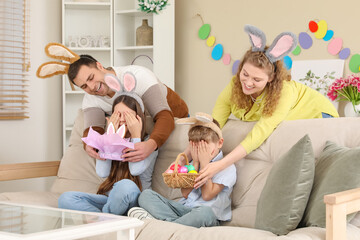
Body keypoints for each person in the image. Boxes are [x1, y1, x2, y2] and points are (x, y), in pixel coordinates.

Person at [194, 25, 339, 188]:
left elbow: (258, 135)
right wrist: (186, 156)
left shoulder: (283, 93)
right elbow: (213, 124)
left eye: (256, 80)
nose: (248, 83)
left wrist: (220, 165)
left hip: (320, 117)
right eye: (245, 74)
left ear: (270, 79)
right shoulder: (234, 86)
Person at [67, 55, 188, 163]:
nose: (92, 87)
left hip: (174, 116)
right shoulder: (90, 98)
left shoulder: (138, 76)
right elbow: (92, 129)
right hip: (139, 131)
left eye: (91, 77)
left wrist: (151, 144)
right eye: (84, 86)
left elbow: (164, 116)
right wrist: (89, 144)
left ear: (99, 66)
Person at [128, 113, 237, 228]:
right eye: (195, 146)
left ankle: (164, 225)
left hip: (207, 215)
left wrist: (204, 164)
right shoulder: (192, 164)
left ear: (219, 143)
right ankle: (173, 224)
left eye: (204, 146)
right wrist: (195, 163)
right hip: (184, 210)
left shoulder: (227, 167)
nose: (200, 151)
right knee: (145, 195)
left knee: (204, 213)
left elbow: (207, 195)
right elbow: (185, 193)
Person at [58, 94, 158, 215]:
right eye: (117, 115)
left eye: (127, 115)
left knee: (125, 185)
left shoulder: (149, 144)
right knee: (66, 198)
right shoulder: (106, 140)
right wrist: (109, 139)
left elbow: (135, 170)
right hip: (111, 200)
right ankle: (106, 219)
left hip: (135, 199)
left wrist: (136, 136)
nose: (121, 119)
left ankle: (103, 219)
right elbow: (102, 172)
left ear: (138, 118)